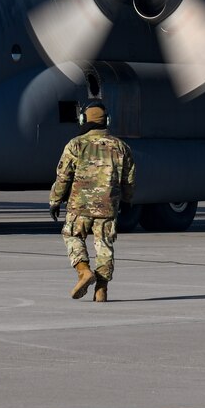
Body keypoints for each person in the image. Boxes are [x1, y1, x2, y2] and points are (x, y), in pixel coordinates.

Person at [49, 97, 135, 303]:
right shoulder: (121, 147)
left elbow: (63, 177)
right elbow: (129, 181)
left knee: (72, 236)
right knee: (104, 244)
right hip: (107, 207)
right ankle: (101, 289)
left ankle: (83, 271)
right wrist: (127, 200)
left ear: (83, 119)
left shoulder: (75, 145)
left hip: (80, 205)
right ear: (107, 120)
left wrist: (55, 200)